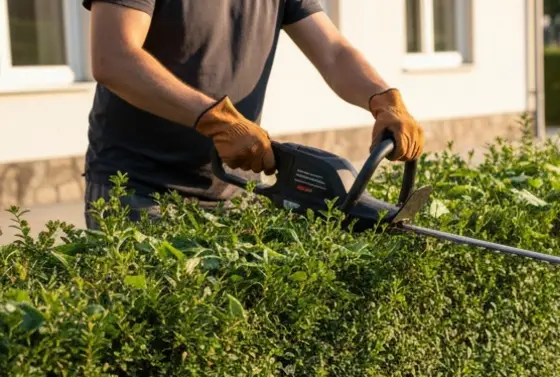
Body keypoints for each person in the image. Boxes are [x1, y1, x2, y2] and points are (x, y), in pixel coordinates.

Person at [83, 0, 426, 227]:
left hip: (235, 189)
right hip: (137, 189)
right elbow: (114, 57)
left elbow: (333, 51)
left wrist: (383, 99)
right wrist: (215, 119)